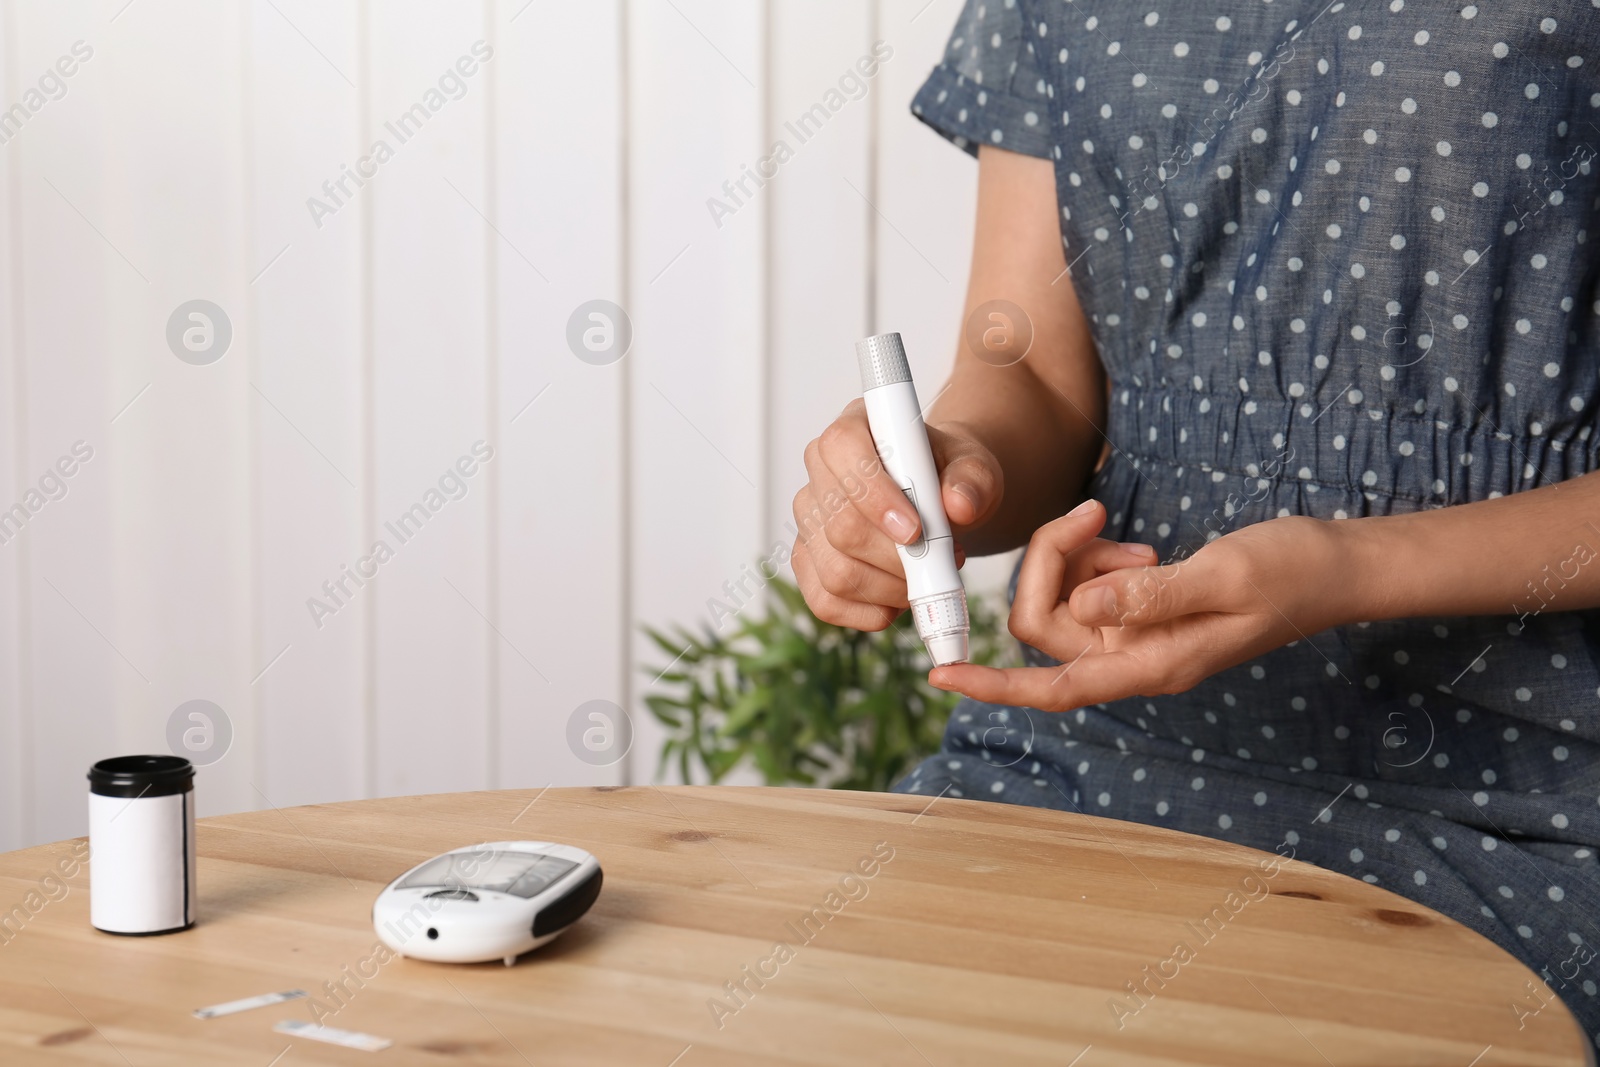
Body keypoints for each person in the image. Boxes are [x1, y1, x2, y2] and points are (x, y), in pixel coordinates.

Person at [791, 0, 1600, 1044]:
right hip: (1090, 749)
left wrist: (1346, 569)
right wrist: (947, 475)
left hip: (1525, 795)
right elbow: (1032, 370)